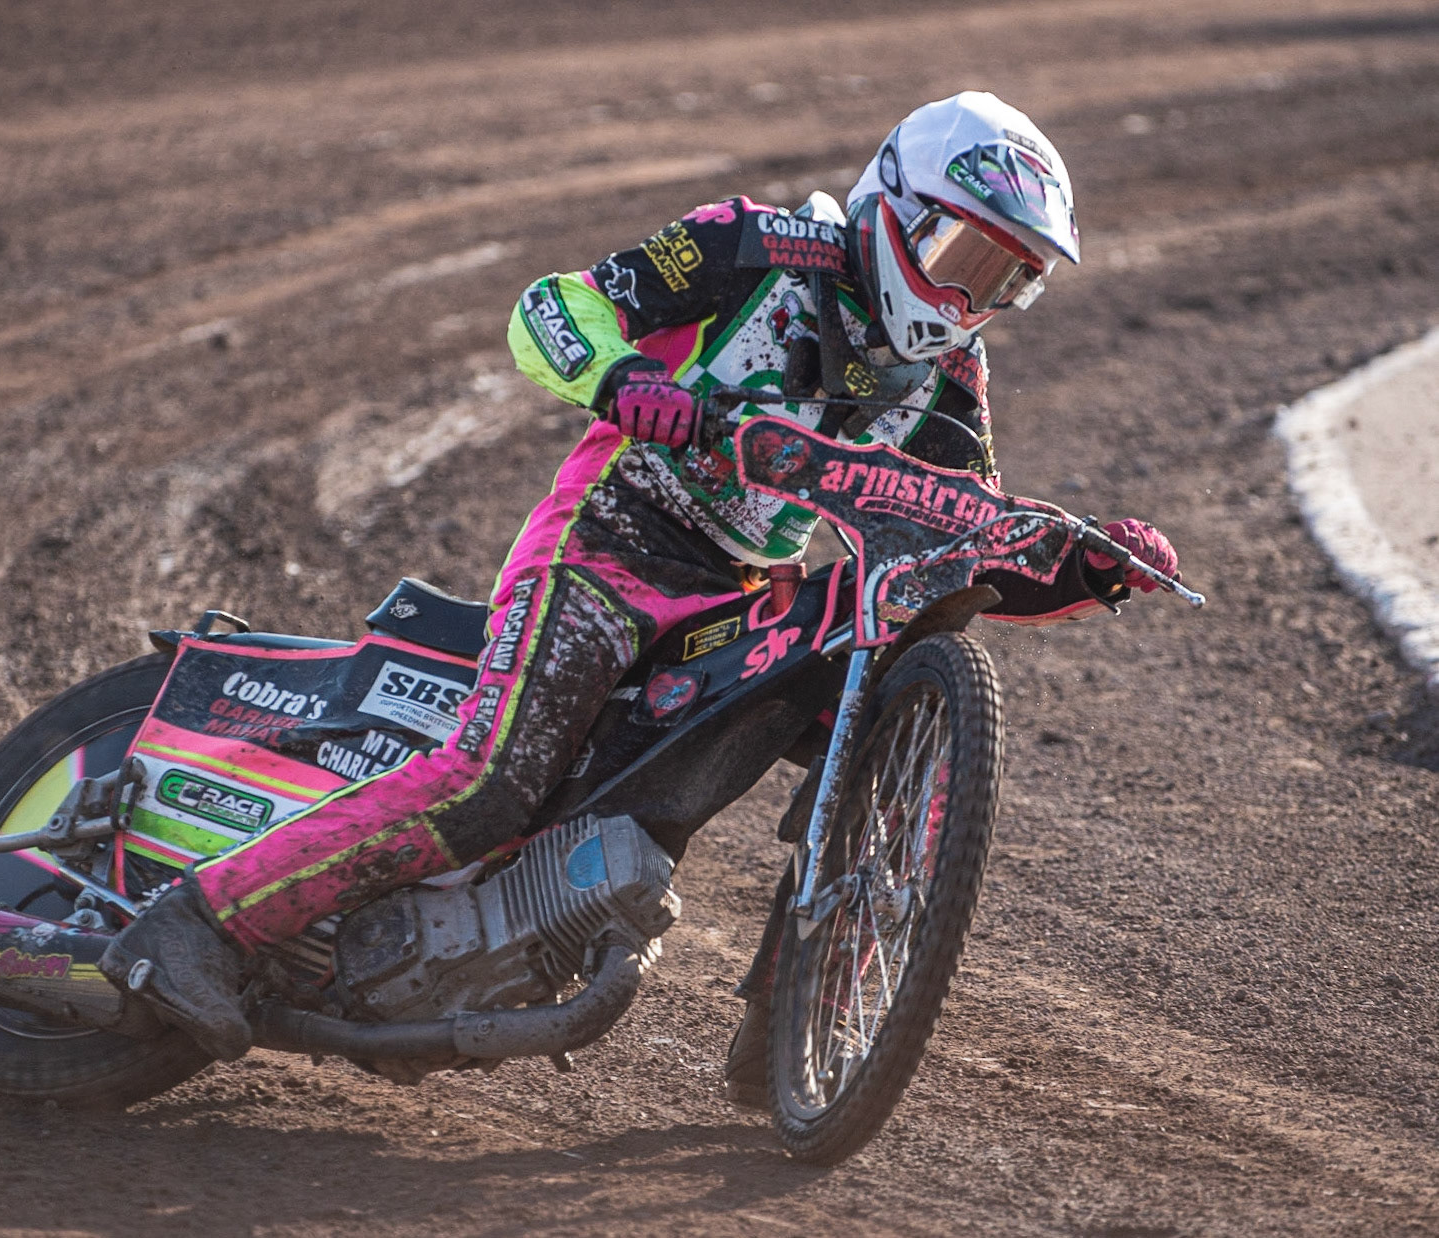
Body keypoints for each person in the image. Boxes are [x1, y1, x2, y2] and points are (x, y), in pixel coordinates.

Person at [98, 92, 1180, 1102]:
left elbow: (956, 540)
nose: (969, 298)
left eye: (1009, 281)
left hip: (740, 595)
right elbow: (552, 308)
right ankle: (195, 924)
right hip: (611, 539)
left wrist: (1084, 568)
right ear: (893, 202)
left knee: (883, 671)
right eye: (964, 254)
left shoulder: (949, 383)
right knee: (490, 782)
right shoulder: (749, 245)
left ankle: (792, 1023)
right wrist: (625, 383)